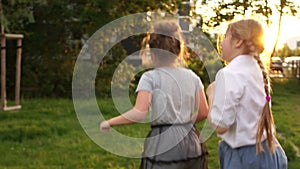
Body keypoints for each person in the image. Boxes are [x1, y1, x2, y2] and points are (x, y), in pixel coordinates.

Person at [100, 20, 209, 169]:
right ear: (179, 50)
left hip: (163, 141)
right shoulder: (192, 76)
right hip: (191, 141)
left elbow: (139, 113)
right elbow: (204, 112)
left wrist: (110, 122)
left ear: (152, 53)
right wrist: (183, 123)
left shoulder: (150, 78)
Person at [206, 19, 288, 169]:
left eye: (225, 36)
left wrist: (211, 94)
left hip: (244, 159)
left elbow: (220, 125)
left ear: (238, 42)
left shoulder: (229, 73)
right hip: (269, 151)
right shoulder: (257, 69)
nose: (221, 42)